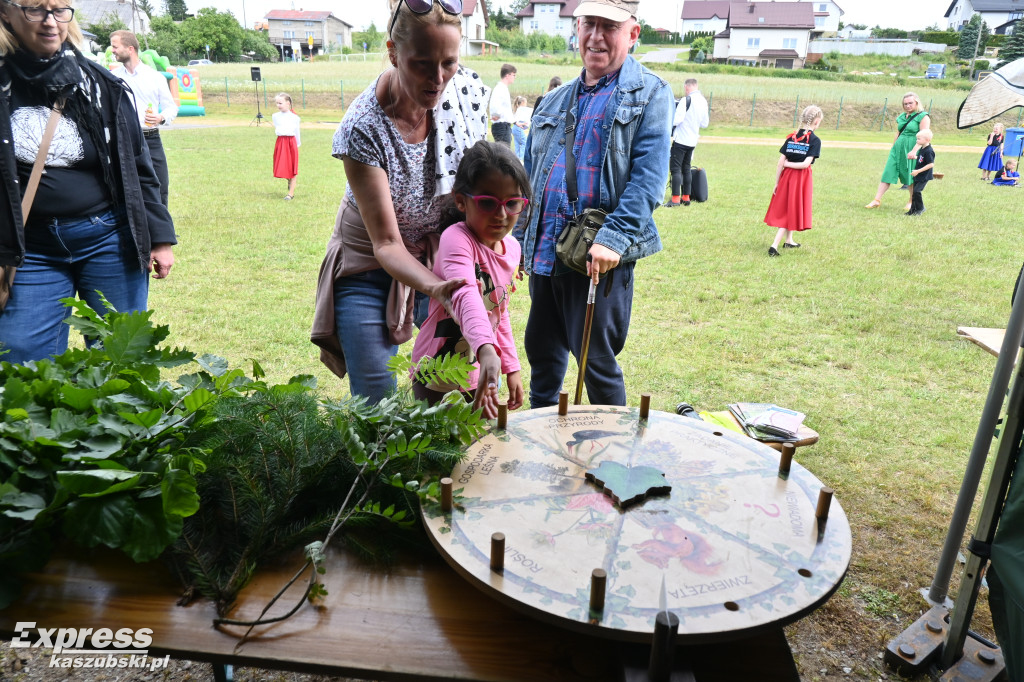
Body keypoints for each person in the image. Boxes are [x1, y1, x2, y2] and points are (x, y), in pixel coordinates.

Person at [311, 0, 493, 408]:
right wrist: (438, 289)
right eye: (422, 64)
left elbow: (485, 186)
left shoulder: (466, 95)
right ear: (393, 52)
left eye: (449, 62)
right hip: (369, 267)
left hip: (439, 259)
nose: (438, 78)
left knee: (445, 396)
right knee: (376, 404)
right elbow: (387, 244)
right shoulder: (363, 126)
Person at [0, 0, 175, 364]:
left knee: (121, 358)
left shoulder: (100, 84)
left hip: (109, 240)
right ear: (6, 12)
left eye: (60, 10)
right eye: (36, 10)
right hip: (27, 249)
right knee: (24, 361)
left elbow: (139, 165)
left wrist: (159, 237)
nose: (51, 22)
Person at [517, 0, 672, 408]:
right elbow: (529, 182)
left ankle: (610, 461)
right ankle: (543, 445)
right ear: (577, 27)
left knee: (596, 365)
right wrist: (517, 241)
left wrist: (613, 238)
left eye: (610, 27)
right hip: (548, 251)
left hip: (597, 259)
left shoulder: (651, 93)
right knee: (542, 355)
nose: (596, 37)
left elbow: (649, 181)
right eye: (589, 24)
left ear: (633, 34)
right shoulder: (552, 101)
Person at [411, 141, 529, 415]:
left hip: (479, 367)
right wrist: (487, 350)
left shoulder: (512, 249)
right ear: (461, 200)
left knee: (479, 445)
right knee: (431, 445)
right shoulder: (456, 238)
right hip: (436, 368)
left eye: (512, 203)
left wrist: (511, 367)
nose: (501, 215)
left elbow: (500, 312)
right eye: (488, 203)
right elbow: (466, 296)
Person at [109, 29, 177, 208]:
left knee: (160, 186)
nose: (112, 50)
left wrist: (161, 117)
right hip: (125, 140)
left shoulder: (154, 77)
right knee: (125, 187)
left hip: (150, 139)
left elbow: (171, 107)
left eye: (115, 47)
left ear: (130, 48)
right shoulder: (114, 78)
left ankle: (163, 234)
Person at [765, 106, 823, 256]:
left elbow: (780, 163)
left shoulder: (792, 137)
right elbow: (805, 164)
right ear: (816, 122)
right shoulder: (815, 140)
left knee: (790, 206)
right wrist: (789, 165)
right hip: (800, 178)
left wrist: (777, 182)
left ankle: (789, 240)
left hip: (786, 177)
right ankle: (774, 246)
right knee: (789, 210)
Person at [865, 91, 930, 209]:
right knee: (888, 172)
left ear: (916, 102)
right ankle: (876, 200)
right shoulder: (901, 117)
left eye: (910, 103)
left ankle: (911, 201)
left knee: (910, 174)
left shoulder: (923, 116)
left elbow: (924, 136)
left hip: (912, 148)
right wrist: (893, 147)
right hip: (898, 149)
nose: (908, 106)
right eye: (905, 104)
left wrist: (914, 151)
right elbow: (899, 132)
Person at [667, 77, 709, 207]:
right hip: (692, 141)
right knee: (686, 168)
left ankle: (675, 199)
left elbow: (677, 120)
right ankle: (686, 197)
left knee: (675, 169)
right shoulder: (703, 101)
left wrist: (669, 124)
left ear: (687, 87)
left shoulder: (686, 100)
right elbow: (705, 123)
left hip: (681, 140)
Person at [272, 92, 300, 200]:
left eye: (280, 103)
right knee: (281, 166)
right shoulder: (275, 116)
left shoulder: (295, 118)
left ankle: (290, 194)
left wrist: (297, 145)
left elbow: (297, 132)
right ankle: (288, 179)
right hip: (281, 142)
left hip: (291, 143)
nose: (278, 105)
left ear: (288, 103)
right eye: (277, 103)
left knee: (292, 168)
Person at [906, 129, 934, 215]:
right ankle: (912, 210)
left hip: (924, 175)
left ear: (927, 140)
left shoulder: (929, 151)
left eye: (919, 139)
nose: (917, 141)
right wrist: (915, 157)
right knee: (914, 192)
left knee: (917, 191)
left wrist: (918, 171)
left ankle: (920, 208)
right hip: (918, 174)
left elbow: (931, 164)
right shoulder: (923, 148)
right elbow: (923, 159)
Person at [489, 63, 516, 146]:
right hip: (501, 126)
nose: (514, 77)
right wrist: (496, 114)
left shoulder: (503, 88)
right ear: (507, 75)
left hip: (505, 126)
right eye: (513, 75)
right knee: (503, 155)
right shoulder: (500, 88)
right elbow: (495, 105)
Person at [511, 95, 530, 162]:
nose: (526, 105)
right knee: (524, 142)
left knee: (517, 144)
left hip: (515, 128)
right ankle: (520, 158)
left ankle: (516, 158)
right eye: (525, 103)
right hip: (518, 128)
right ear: (522, 103)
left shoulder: (517, 109)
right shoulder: (520, 110)